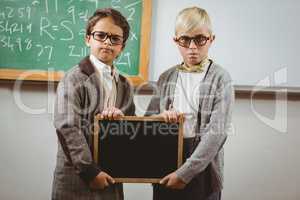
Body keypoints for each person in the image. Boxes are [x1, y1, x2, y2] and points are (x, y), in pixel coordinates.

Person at [146, 6, 234, 200]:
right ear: (176, 40)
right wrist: (160, 117)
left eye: (200, 39)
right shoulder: (166, 77)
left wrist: (185, 173)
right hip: (165, 164)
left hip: (202, 166)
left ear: (211, 39)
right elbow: (146, 122)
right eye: (185, 40)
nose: (192, 47)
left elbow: (216, 133)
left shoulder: (221, 78)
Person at [52, 8, 135, 200]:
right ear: (88, 38)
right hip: (78, 179)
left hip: (111, 179)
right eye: (101, 35)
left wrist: (121, 120)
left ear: (122, 46)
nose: (107, 42)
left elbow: (132, 128)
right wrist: (90, 172)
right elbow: (67, 127)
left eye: (115, 38)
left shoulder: (124, 84)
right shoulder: (74, 78)